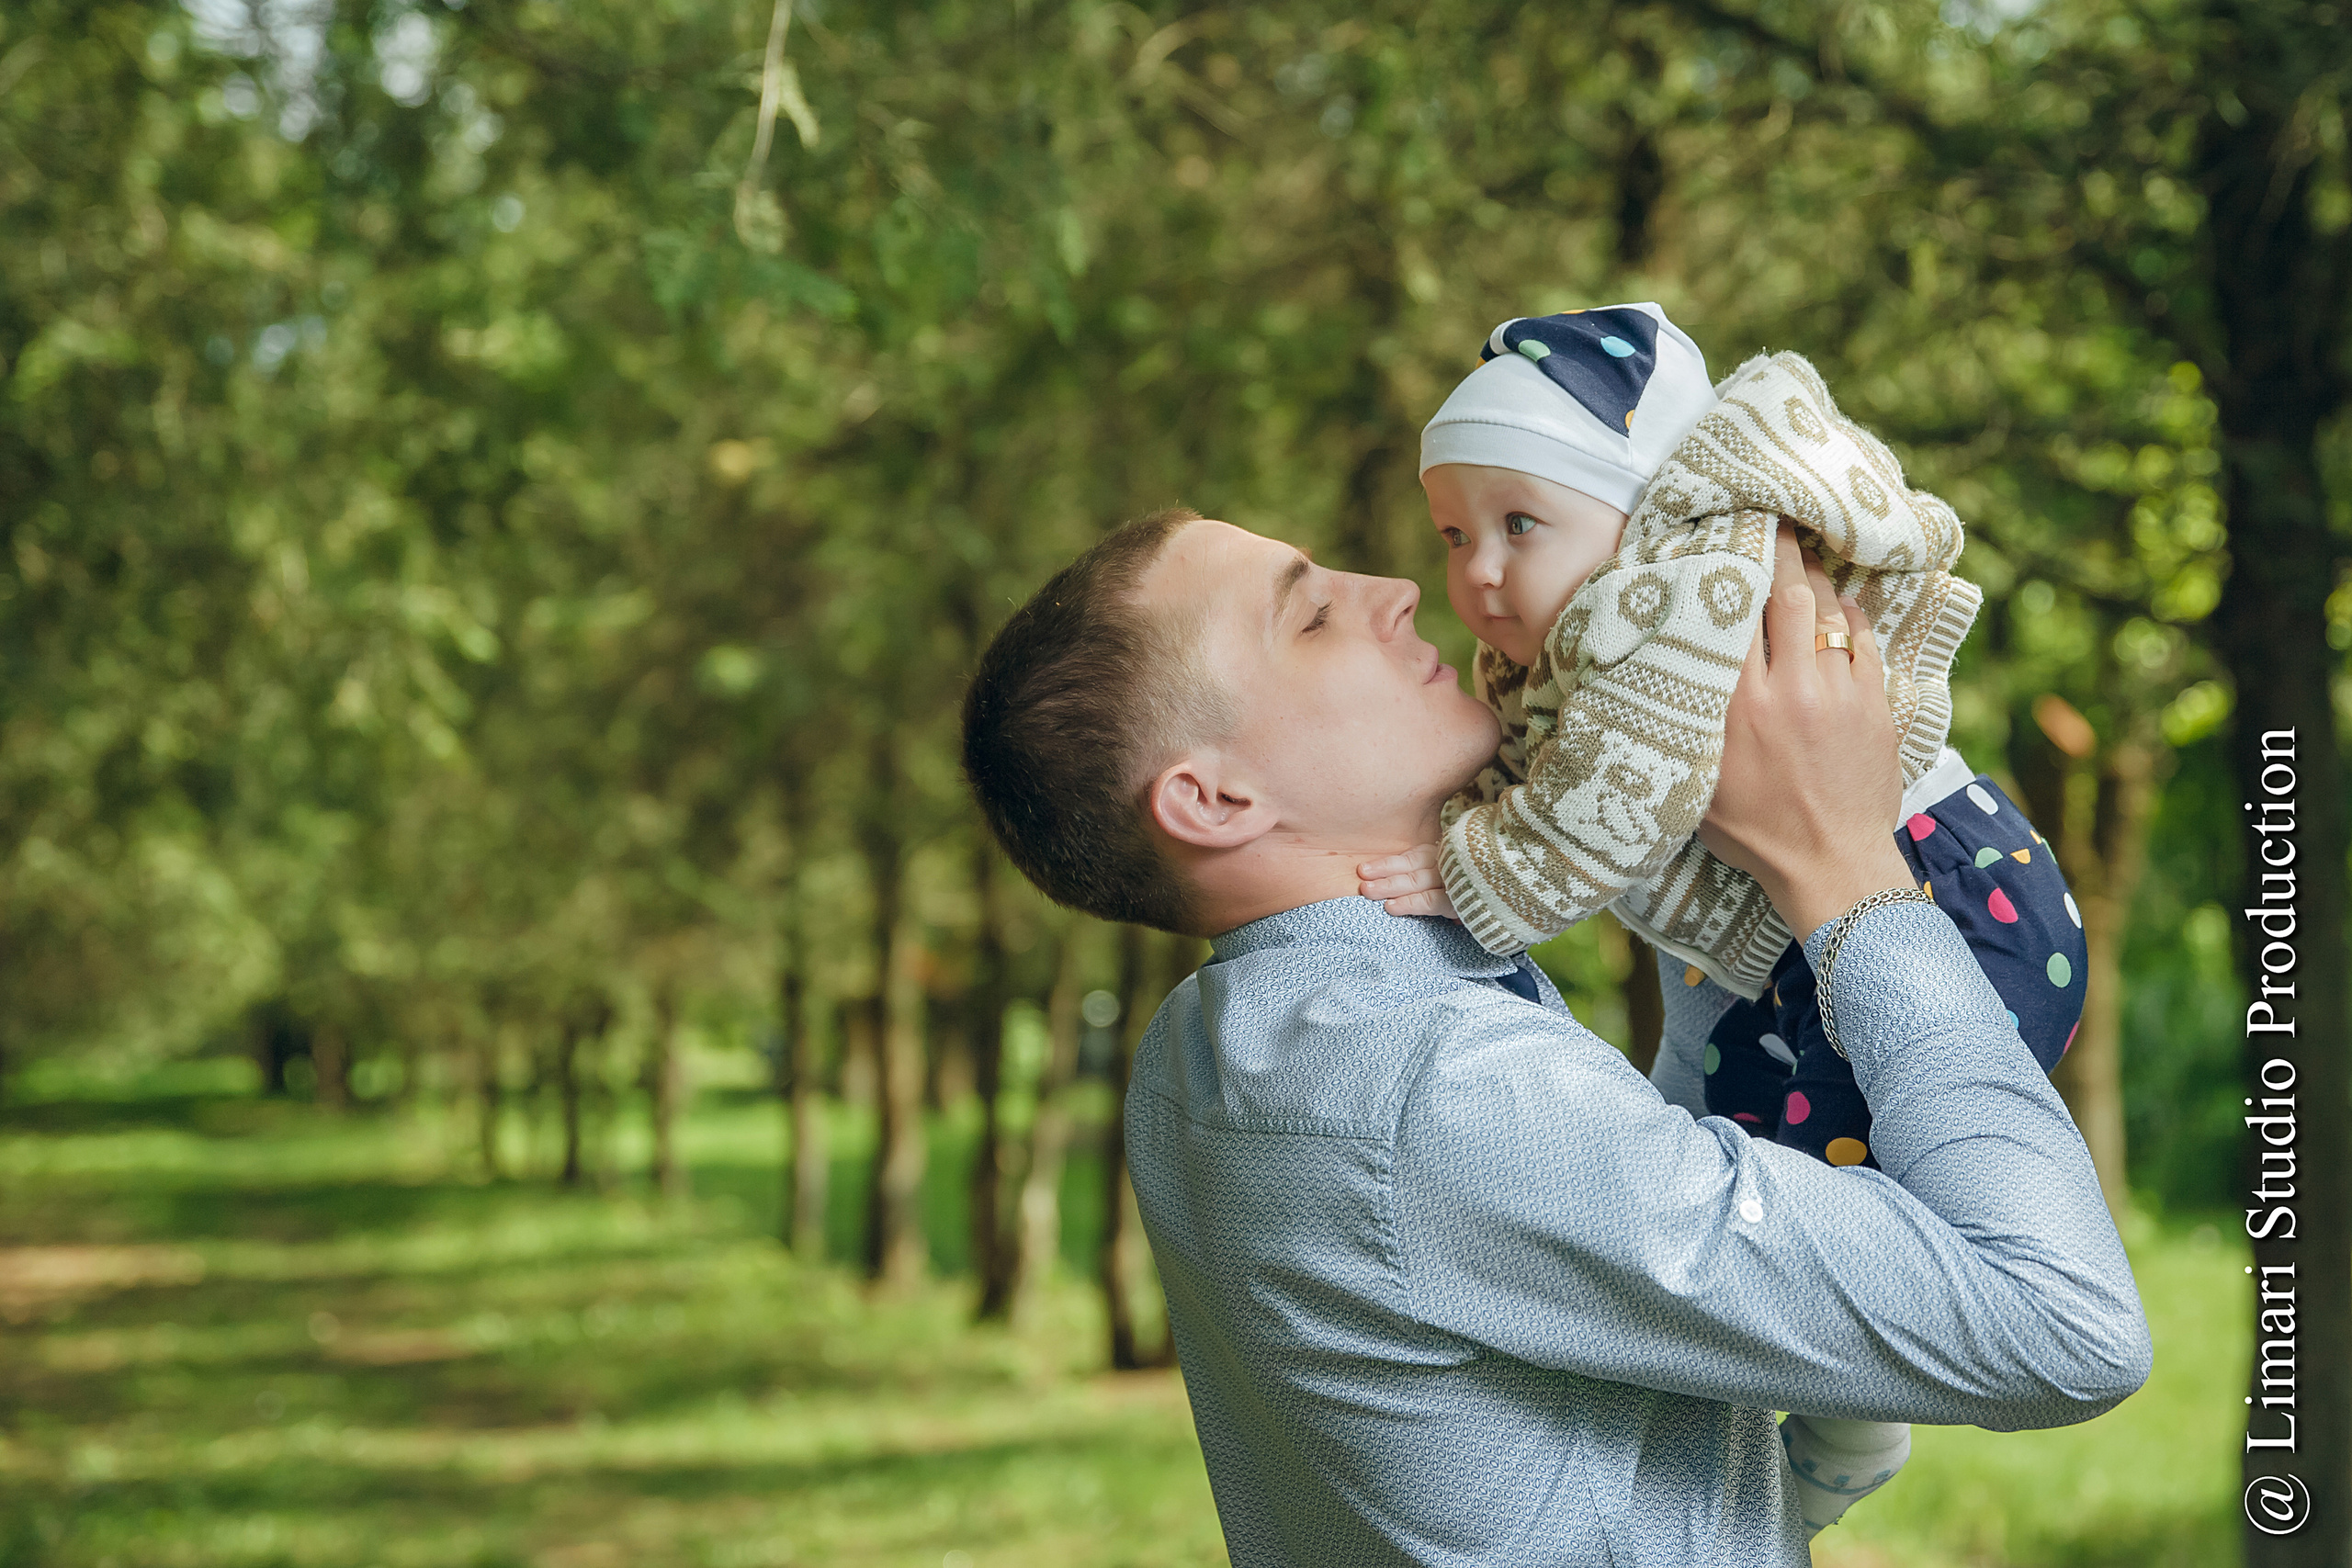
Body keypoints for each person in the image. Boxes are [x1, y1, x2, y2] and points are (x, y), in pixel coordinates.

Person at [959, 509, 2148, 1565]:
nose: (1396, 591)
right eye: (1313, 616)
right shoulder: (1432, 1093)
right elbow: (2061, 1324)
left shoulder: (1209, 1048)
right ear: (1213, 801)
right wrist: (1842, 863)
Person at [1353, 304, 2091, 1533]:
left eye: (1519, 524)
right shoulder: (1560, 640)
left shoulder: (1677, 598)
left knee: (1796, 1204)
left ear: (1634, 513)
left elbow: (1603, 808)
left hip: (1943, 907)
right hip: (1801, 950)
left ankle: (1847, 1434)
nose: (1477, 570)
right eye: (1451, 532)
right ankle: (1739, 1457)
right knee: (1696, 1154)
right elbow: (1537, 771)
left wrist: (1463, 872)